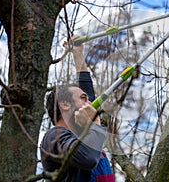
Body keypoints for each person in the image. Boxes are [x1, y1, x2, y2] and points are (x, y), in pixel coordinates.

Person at [40, 40, 114, 182]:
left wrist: (78, 54)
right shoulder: (54, 137)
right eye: (83, 98)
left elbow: (86, 91)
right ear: (65, 104)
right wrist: (95, 124)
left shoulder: (83, 138)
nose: (90, 103)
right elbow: (87, 158)